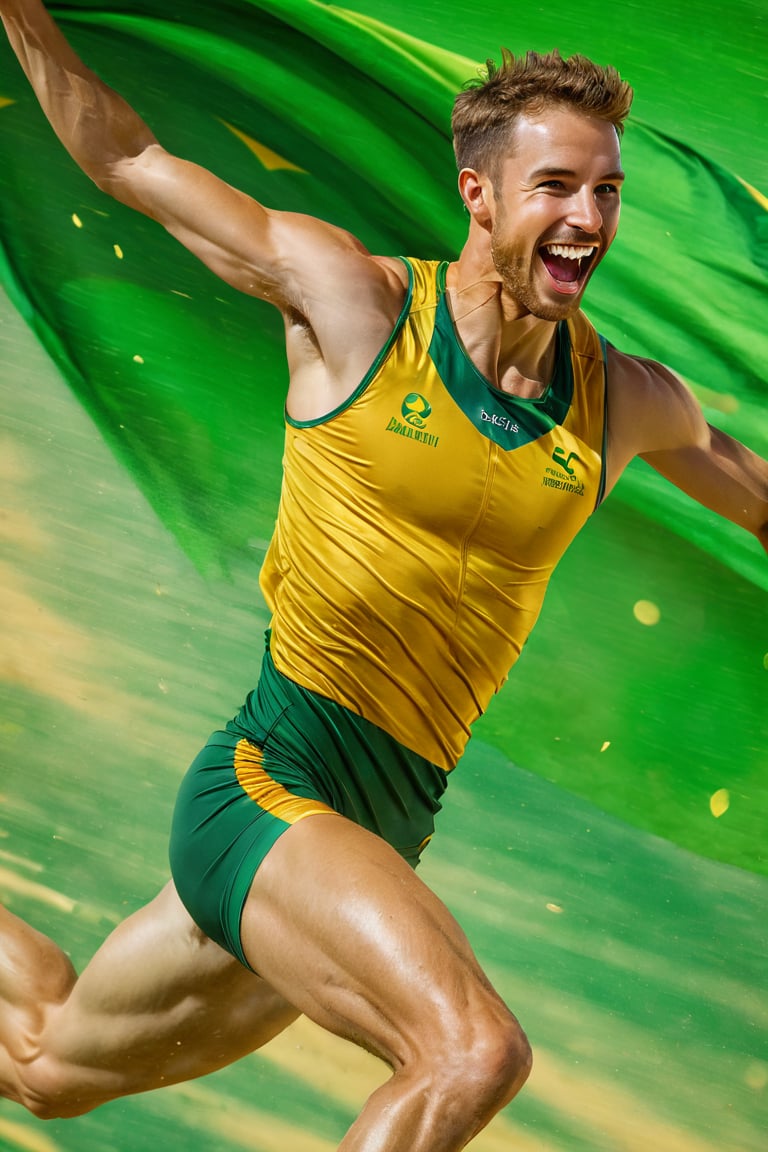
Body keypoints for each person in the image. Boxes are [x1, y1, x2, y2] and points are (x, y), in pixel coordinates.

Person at [0, 1, 766, 1148]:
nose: (587, 217)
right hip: (270, 789)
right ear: (481, 196)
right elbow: (128, 156)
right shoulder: (353, 302)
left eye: (606, 192)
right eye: (556, 186)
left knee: (50, 1063)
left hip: (382, 831)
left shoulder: (628, 402)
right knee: (470, 1053)